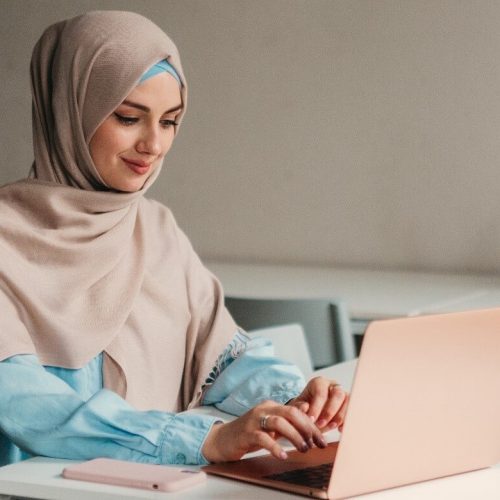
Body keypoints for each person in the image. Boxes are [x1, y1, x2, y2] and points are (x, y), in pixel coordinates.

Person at [0, 10, 348, 467]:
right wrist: (206, 439)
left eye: (169, 121)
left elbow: (222, 356)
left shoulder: (156, 229)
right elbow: (33, 409)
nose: (154, 145)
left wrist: (296, 401)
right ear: (69, 112)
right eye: (128, 117)